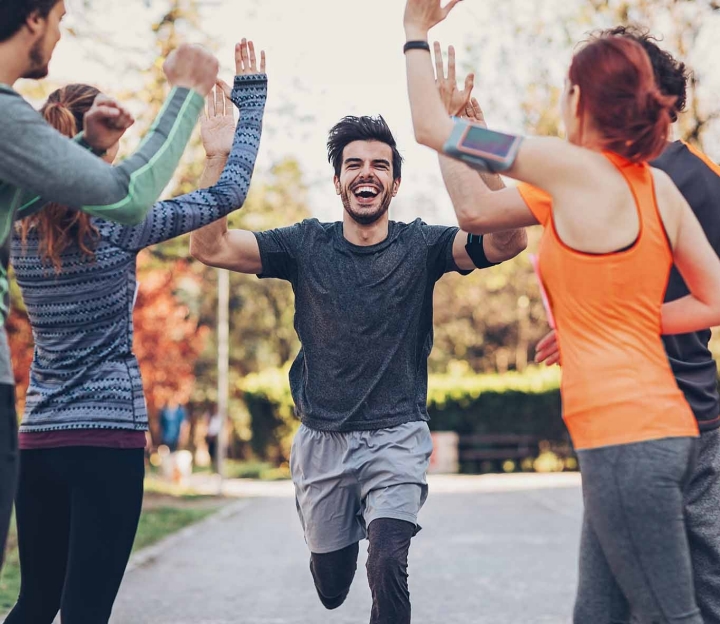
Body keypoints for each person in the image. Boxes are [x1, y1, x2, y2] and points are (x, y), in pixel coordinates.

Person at [402, 0, 720, 622]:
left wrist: (414, 32)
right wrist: (608, 324)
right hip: (664, 431)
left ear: (582, 101)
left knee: (671, 615)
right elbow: (714, 296)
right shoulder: (658, 187)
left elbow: (432, 130)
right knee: (597, 612)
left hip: (628, 437)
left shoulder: (567, 168)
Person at [189, 110, 526, 623]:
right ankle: (329, 544)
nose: (366, 173)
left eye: (379, 165)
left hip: (397, 435)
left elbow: (509, 241)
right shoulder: (305, 245)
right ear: (337, 181)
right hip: (322, 441)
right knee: (331, 587)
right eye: (354, 164)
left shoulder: (421, 245)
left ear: (394, 184)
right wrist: (217, 158)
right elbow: (208, 246)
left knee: (388, 559)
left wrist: (475, 145)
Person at [4, 39, 266, 624]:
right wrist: (246, 112)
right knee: (86, 611)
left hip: (38, 438)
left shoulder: (17, 223)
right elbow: (227, 195)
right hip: (107, 439)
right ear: (105, 142)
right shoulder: (121, 218)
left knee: (34, 602)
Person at [0, 0, 219, 565]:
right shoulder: (3, 115)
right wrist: (187, 94)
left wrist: (87, 148)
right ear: (32, 18)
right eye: (60, 17)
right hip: (104, 430)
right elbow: (126, 195)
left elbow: (28, 199)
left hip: (38, 426)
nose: (61, 31)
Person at [531, 27, 720, 624]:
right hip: (656, 421)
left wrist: (615, 324)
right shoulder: (623, 176)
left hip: (655, 421)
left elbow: (471, 191)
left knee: (683, 603)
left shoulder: (592, 176)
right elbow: (478, 210)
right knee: (606, 606)